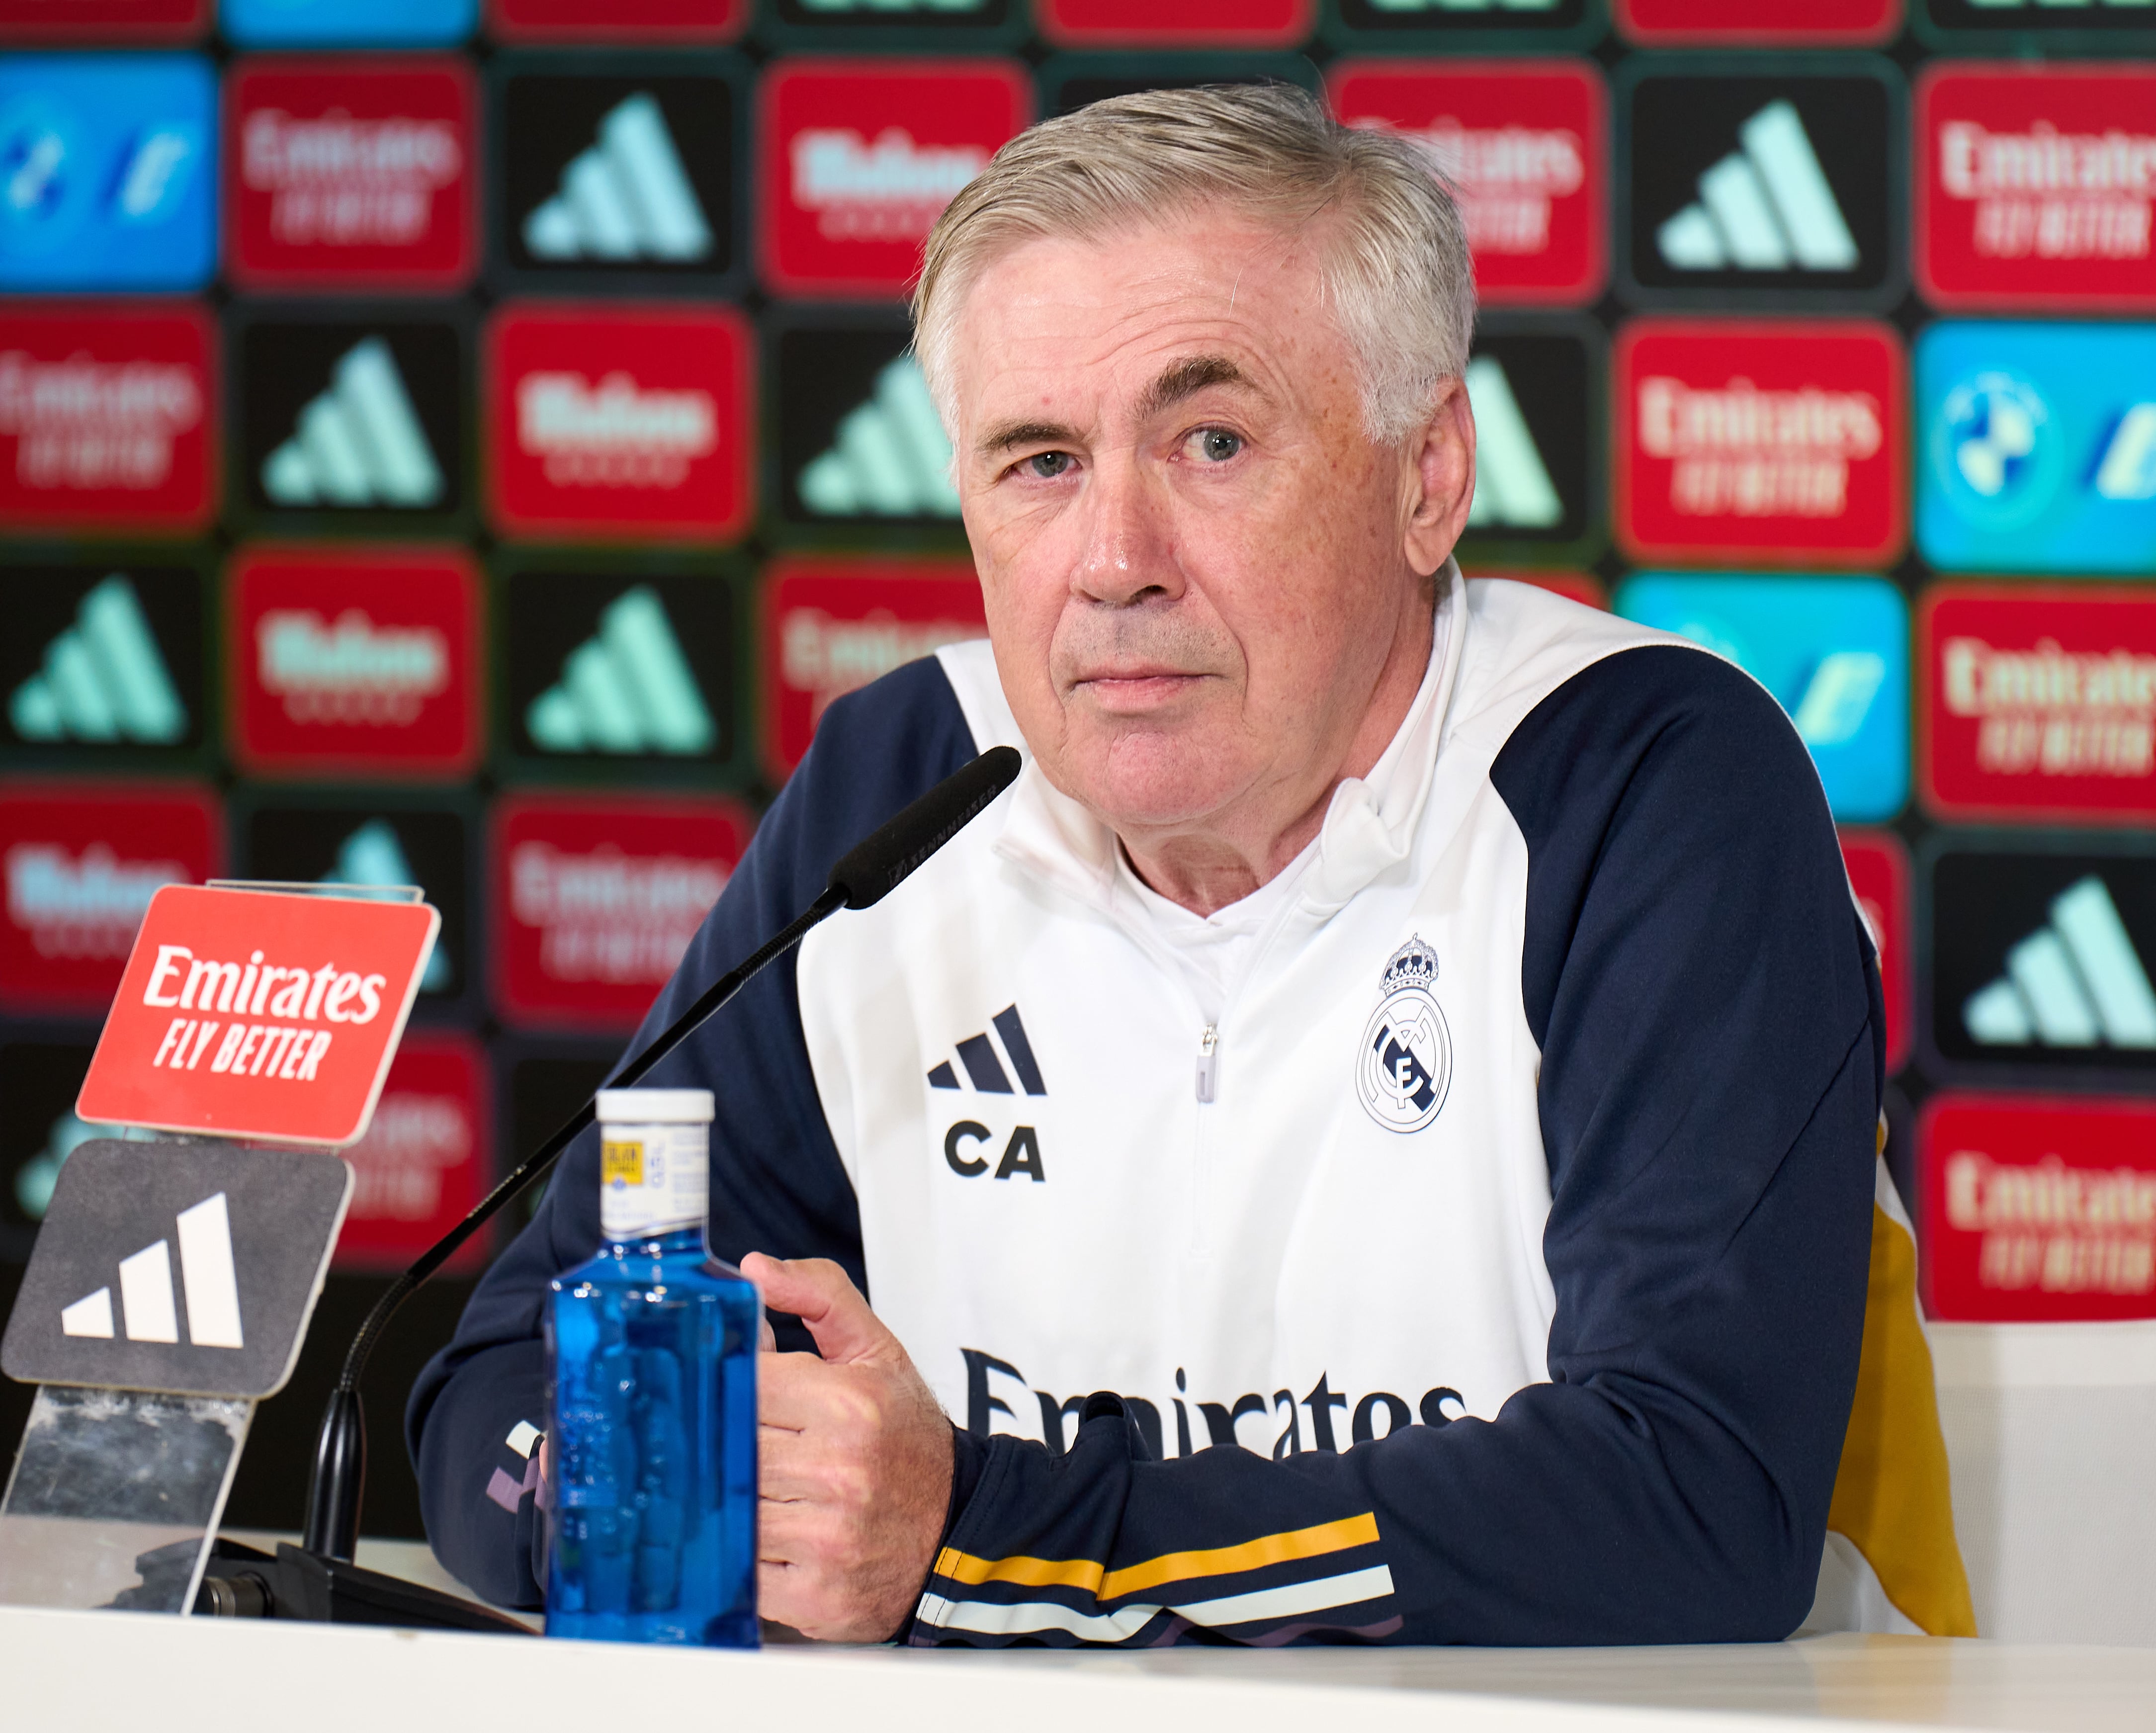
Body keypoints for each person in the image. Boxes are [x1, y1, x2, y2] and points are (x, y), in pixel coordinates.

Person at [410, 85, 1973, 1648]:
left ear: (1427, 479)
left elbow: (1695, 1507)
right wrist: (744, 1503)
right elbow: (501, 1405)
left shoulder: (1638, 782)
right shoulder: (907, 791)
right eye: (1038, 463)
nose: (1113, 560)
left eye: (1210, 441)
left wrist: (969, 1533)